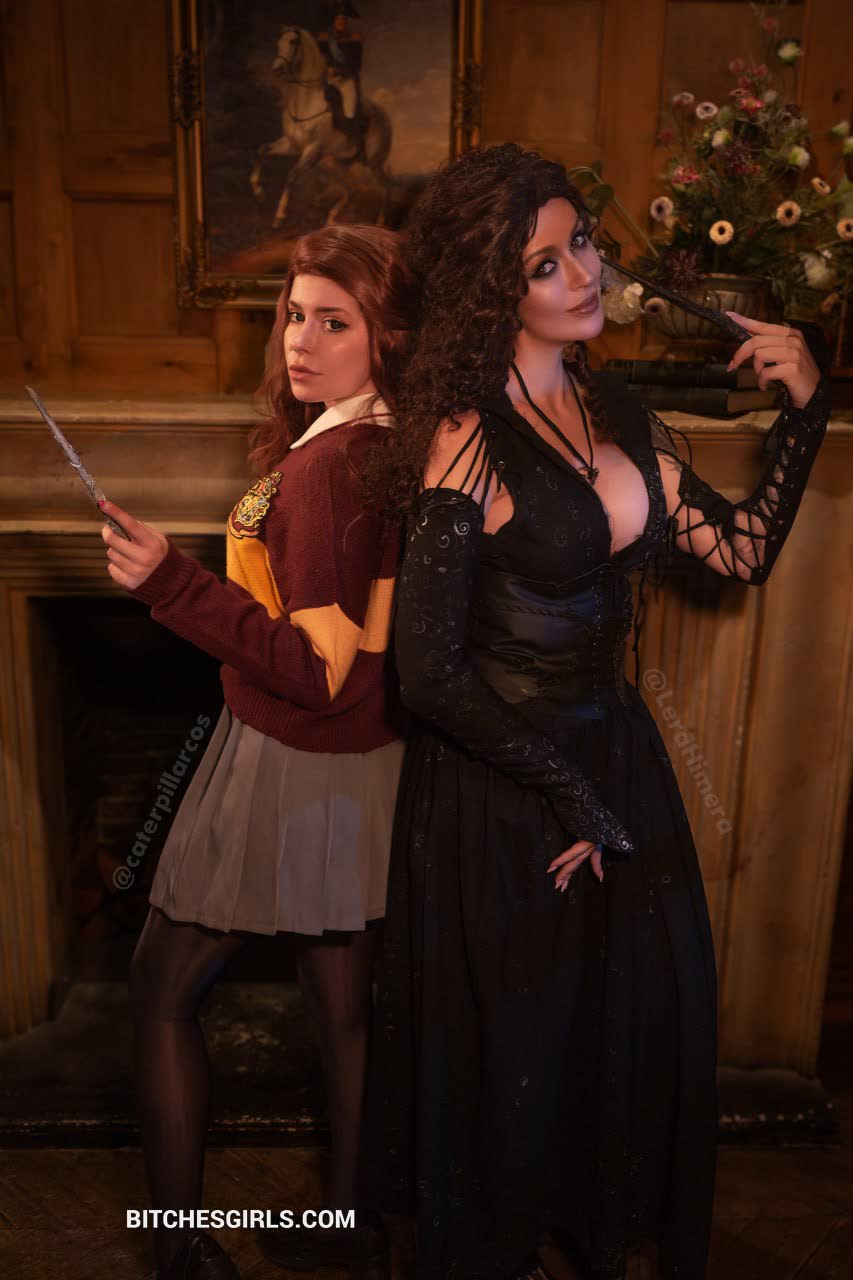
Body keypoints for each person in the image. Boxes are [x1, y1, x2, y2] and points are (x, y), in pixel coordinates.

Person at [359, 143, 831, 1280]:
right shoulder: (463, 435)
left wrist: (808, 409)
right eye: (544, 263)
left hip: (613, 759)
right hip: (502, 787)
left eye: (581, 243)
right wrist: (570, 797)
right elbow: (426, 675)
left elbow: (741, 551)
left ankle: (585, 1232)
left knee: (627, 1024)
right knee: (516, 1046)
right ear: (491, 289)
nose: (583, 273)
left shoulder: (612, 404)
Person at [99, 224, 414, 1280]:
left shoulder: (329, 468)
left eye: (335, 322)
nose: (301, 341)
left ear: (388, 337)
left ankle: (175, 1253)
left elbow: (315, 669)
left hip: (288, 756)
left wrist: (168, 582)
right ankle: (352, 1234)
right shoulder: (386, 441)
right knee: (344, 1013)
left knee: (159, 990)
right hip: (365, 764)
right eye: (293, 316)